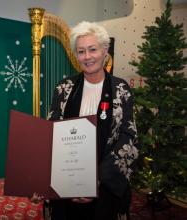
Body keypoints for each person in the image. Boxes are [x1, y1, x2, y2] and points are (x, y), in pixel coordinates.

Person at [34, 21, 139, 220]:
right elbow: (51, 135)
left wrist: (96, 178)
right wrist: (39, 180)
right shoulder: (63, 88)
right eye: (81, 51)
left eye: (92, 49)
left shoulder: (121, 89)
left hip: (105, 185)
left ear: (105, 50)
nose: (87, 57)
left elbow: (129, 139)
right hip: (65, 183)